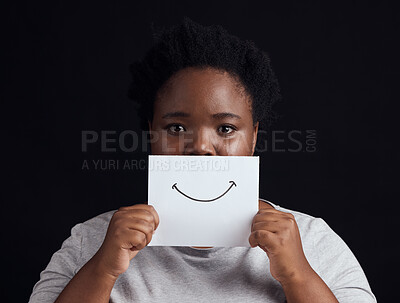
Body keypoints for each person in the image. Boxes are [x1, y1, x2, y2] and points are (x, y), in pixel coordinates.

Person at [29, 18, 376, 303]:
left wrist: (297, 273)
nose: (201, 147)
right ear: (152, 134)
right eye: (177, 127)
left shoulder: (313, 240)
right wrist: (103, 270)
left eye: (225, 128)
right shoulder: (91, 242)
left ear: (253, 137)